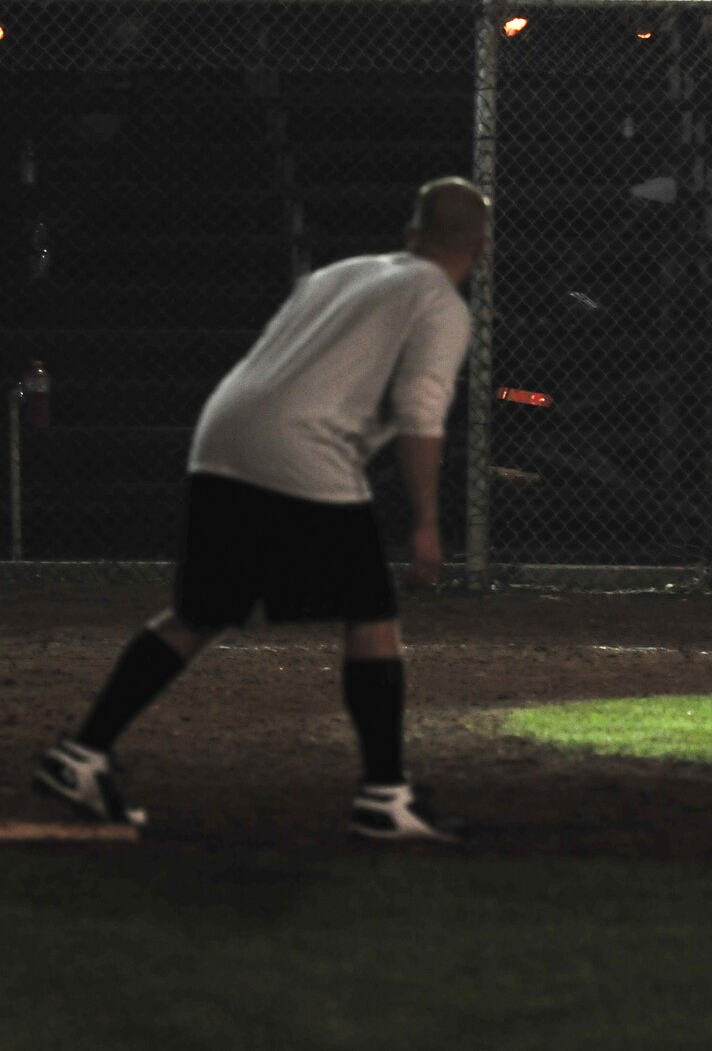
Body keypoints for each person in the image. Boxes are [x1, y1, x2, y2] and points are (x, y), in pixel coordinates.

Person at [35, 177, 490, 843]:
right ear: (478, 247)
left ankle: (80, 755)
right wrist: (426, 522)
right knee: (371, 612)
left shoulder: (342, 274)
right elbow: (421, 414)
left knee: (201, 612)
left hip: (223, 434)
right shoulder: (440, 303)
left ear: (411, 233)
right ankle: (384, 796)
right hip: (302, 449)